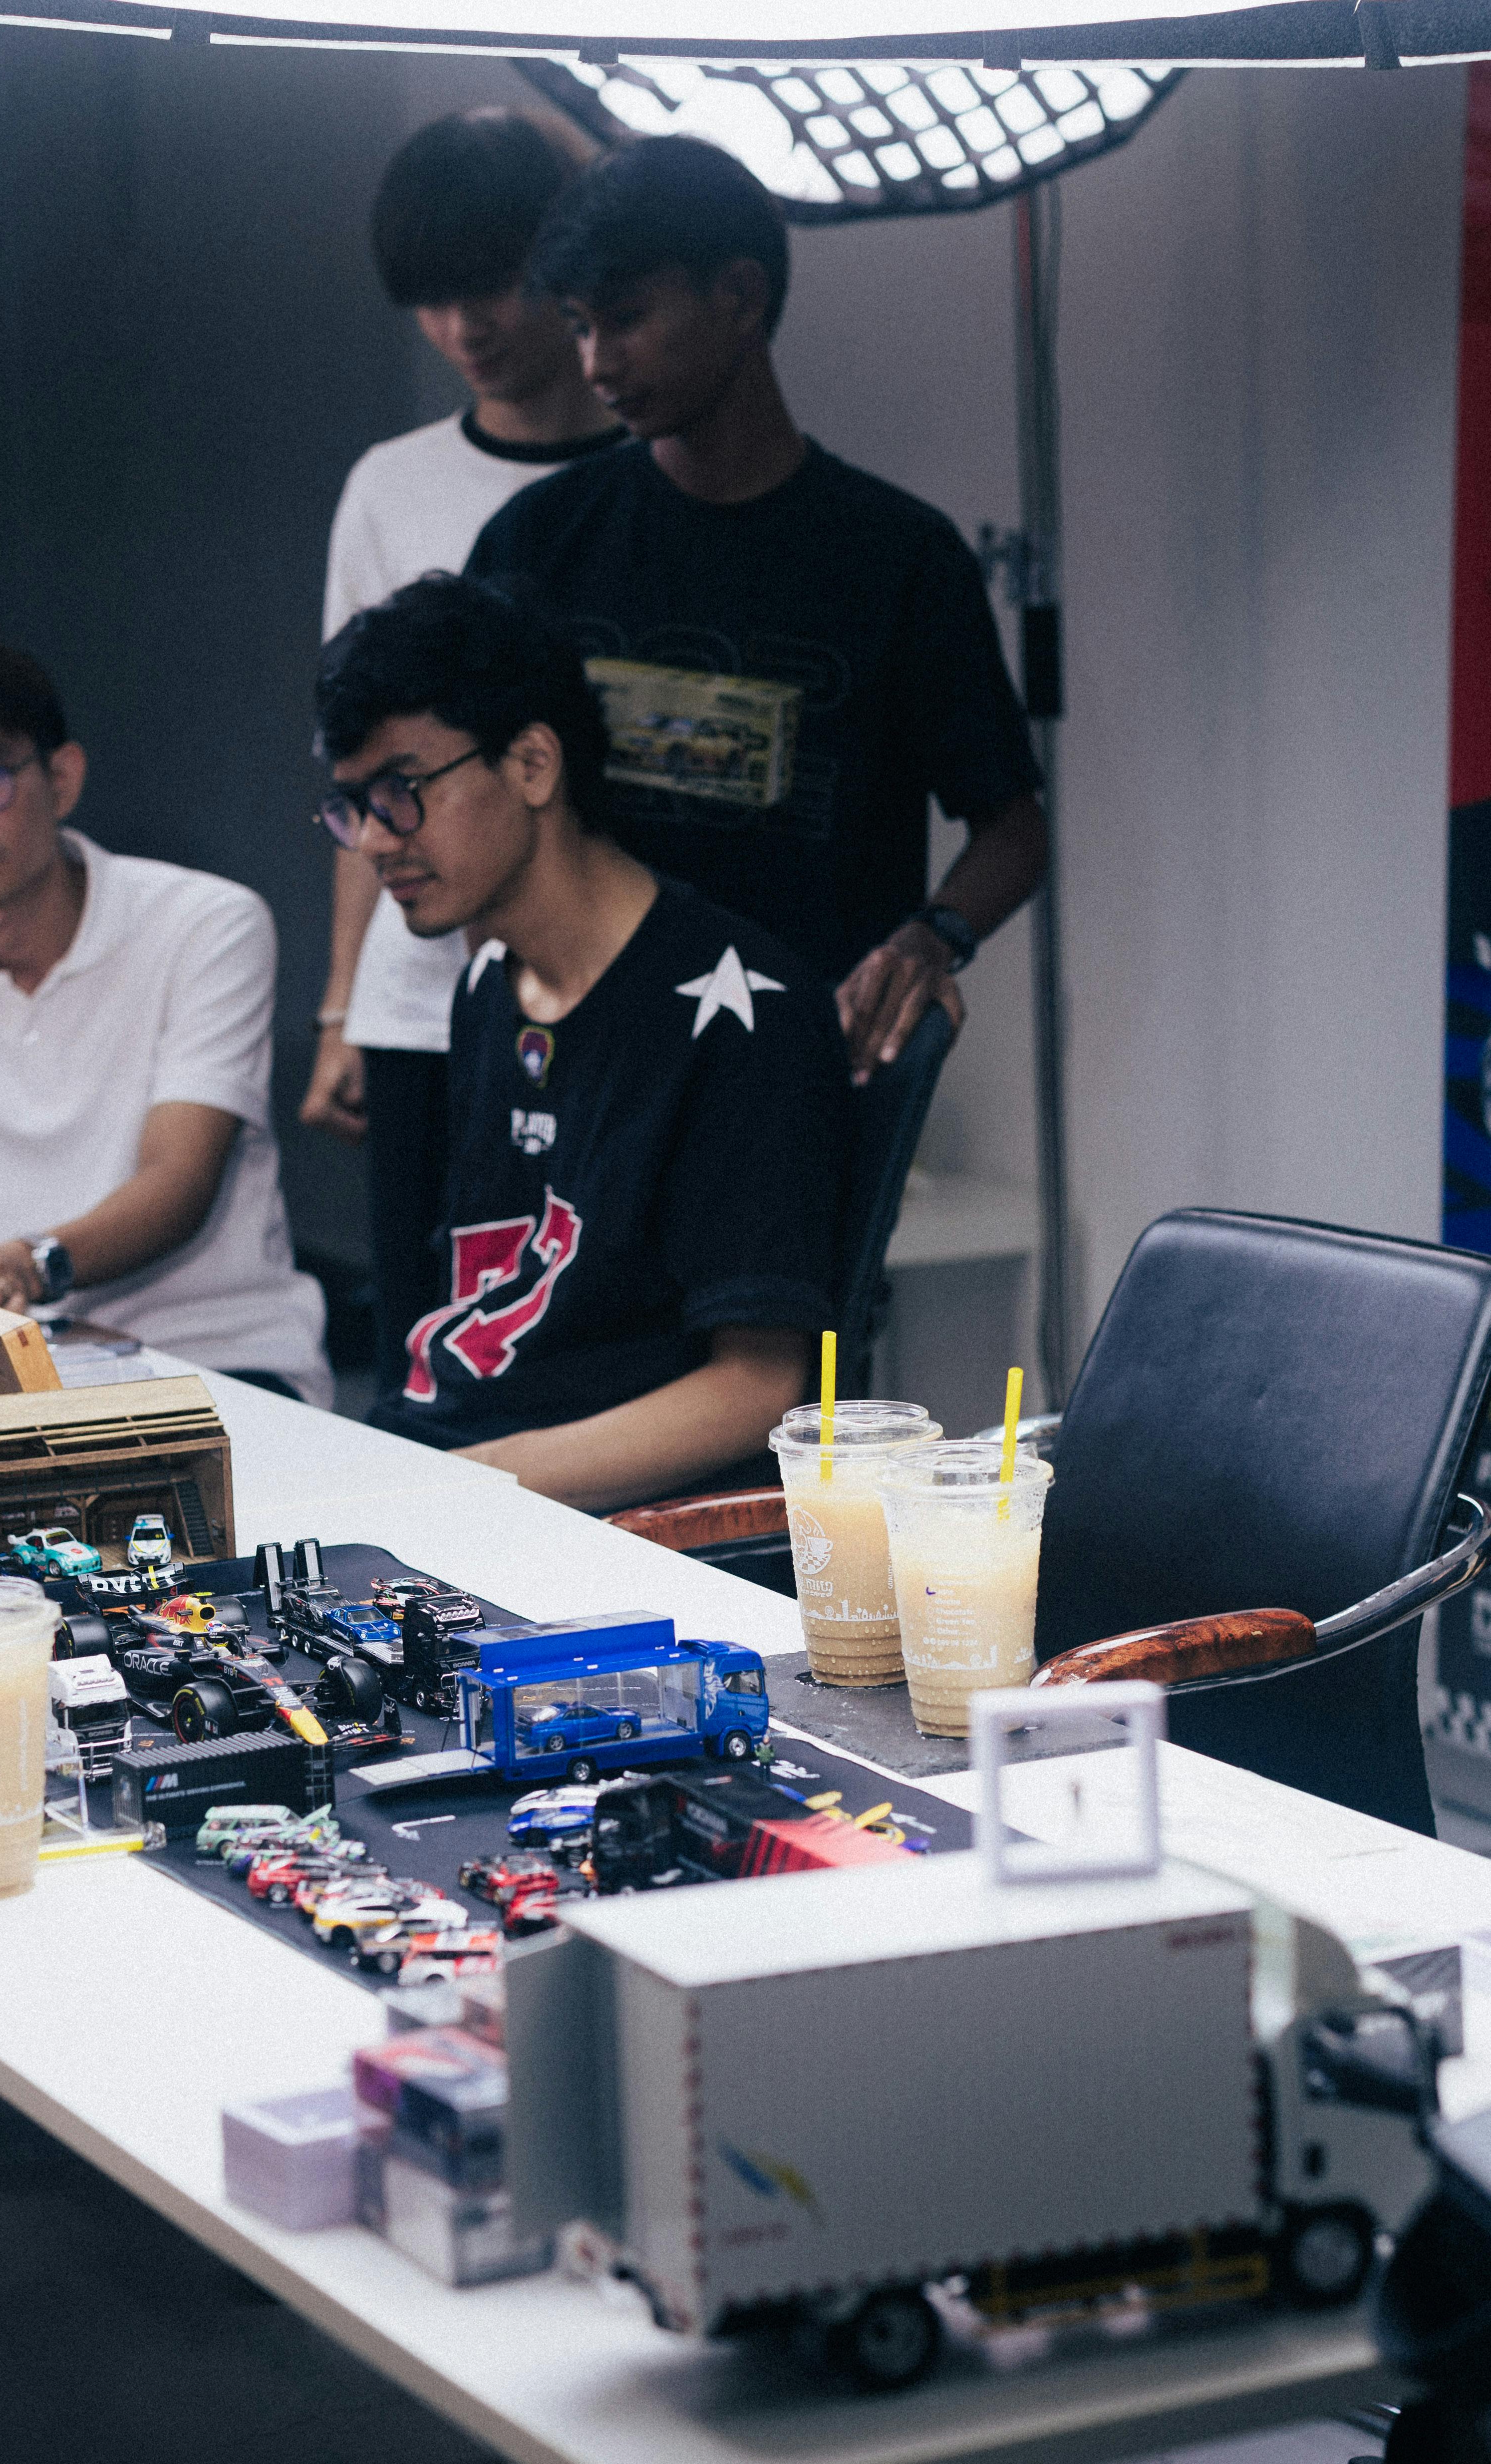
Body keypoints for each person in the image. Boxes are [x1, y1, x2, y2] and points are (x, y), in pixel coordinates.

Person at [467, 135, 1050, 1082]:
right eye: (578, 326)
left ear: (740, 298)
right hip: (573, 1062)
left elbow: (1013, 828)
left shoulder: (896, 556)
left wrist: (930, 939)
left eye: (625, 319)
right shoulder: (537, 543)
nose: (597, 362)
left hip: (799, 1078)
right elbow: (468, 792)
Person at [319, 573, 840, 1508]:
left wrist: (457, 1487)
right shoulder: (488, 983)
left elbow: (758, 1390)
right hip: (441, 1461)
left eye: (400, 792)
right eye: (351, 804)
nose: (370, 840)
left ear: (530, 765)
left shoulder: (737, 1008)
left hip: (582, 1518)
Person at [0, 626, 329, 1405]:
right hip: (10, 1375)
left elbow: (178, 1180)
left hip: (218, 1361)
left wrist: (26, 1261)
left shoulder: (205, 922)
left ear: (62, 778)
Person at [305, 108, 621, 1394]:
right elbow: (357, 771)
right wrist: (341, 1004)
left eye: (488, 285)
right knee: (423, 1345)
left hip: (597, 983)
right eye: (430, 300)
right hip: (415, 993)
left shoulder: (648, 480)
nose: (463, 327)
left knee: (579, 1331)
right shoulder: (391, 482)